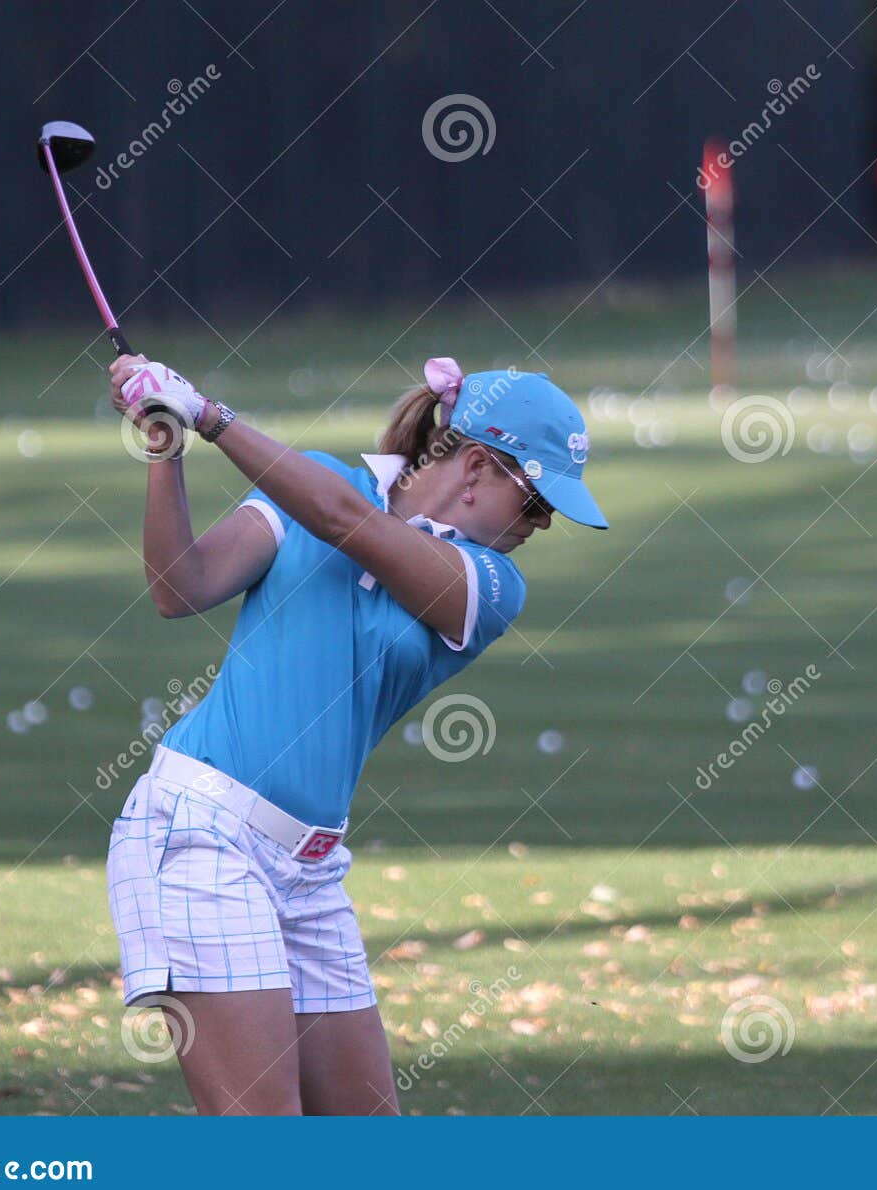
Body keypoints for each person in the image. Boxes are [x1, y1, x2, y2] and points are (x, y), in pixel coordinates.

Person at [102, 354, 607, 1114]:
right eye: (535, 502)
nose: (537, 527)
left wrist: (211, 414)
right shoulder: (314, 482)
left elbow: (346, 522)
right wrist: (168, 444)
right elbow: (181, 586)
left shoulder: (490, 585)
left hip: (309, 874)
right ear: (475, 466)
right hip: (199, 834)